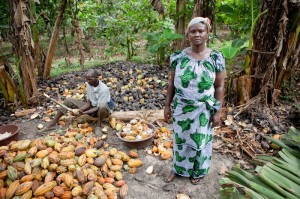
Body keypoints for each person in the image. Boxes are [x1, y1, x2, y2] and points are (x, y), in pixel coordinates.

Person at [164, 17, 226, 185]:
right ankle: (179, 168)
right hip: (182, 107)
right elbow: (171, 83)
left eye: (201, 31)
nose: (197, 34)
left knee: (201, 141)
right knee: (181, 139)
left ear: (207, 33)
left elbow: (219, 86)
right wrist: (167, 106)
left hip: (204, 109)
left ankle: (198, 170)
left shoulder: (215, 58)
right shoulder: (178, 57)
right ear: (188, 34)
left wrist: (218, 111)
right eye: (193, 31)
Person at [45, 69, 114, 129]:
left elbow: (98, 107)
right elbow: (89, 102)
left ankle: (99, 124)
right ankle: (52, 124)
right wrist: (80, 110)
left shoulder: (104, 89)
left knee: (102, 107)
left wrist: (84, 113)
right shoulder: (89, 85)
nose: (88, 81)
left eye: (90, 79)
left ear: (97, 77)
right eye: (87, 79)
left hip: (102, 111)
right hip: (92, 107)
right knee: (68, 100)